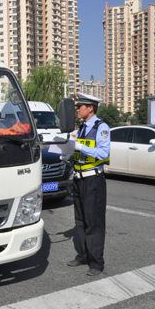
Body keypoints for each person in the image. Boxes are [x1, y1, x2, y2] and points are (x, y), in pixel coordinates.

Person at [67, 92, 110, 277]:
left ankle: (97, 263)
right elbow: (81, 153)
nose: (77, 109)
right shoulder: (82, 128)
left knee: (94, 222)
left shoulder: (101, 127)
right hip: (79, 179)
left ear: (90, 108)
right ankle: (84, 255)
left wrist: (78, 146)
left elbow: (103, 153)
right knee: (81, 220)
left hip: (93, 180)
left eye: (80, 106)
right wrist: (67, 155)